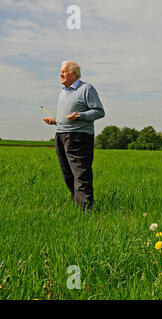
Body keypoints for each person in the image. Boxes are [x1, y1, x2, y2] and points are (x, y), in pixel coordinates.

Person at [43, 61, 105, 210]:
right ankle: (76, 205)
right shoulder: (63, 92)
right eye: (61, 72)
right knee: (67, 173)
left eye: (64, 71)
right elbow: (65, 117)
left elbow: (99, 111)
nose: (61, 74)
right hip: (61, 135)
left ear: (74, 74)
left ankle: (86, 210)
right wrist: (55, 121)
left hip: (79, 137)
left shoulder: (86, 89)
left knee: (81, 173)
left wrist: (80, 115)